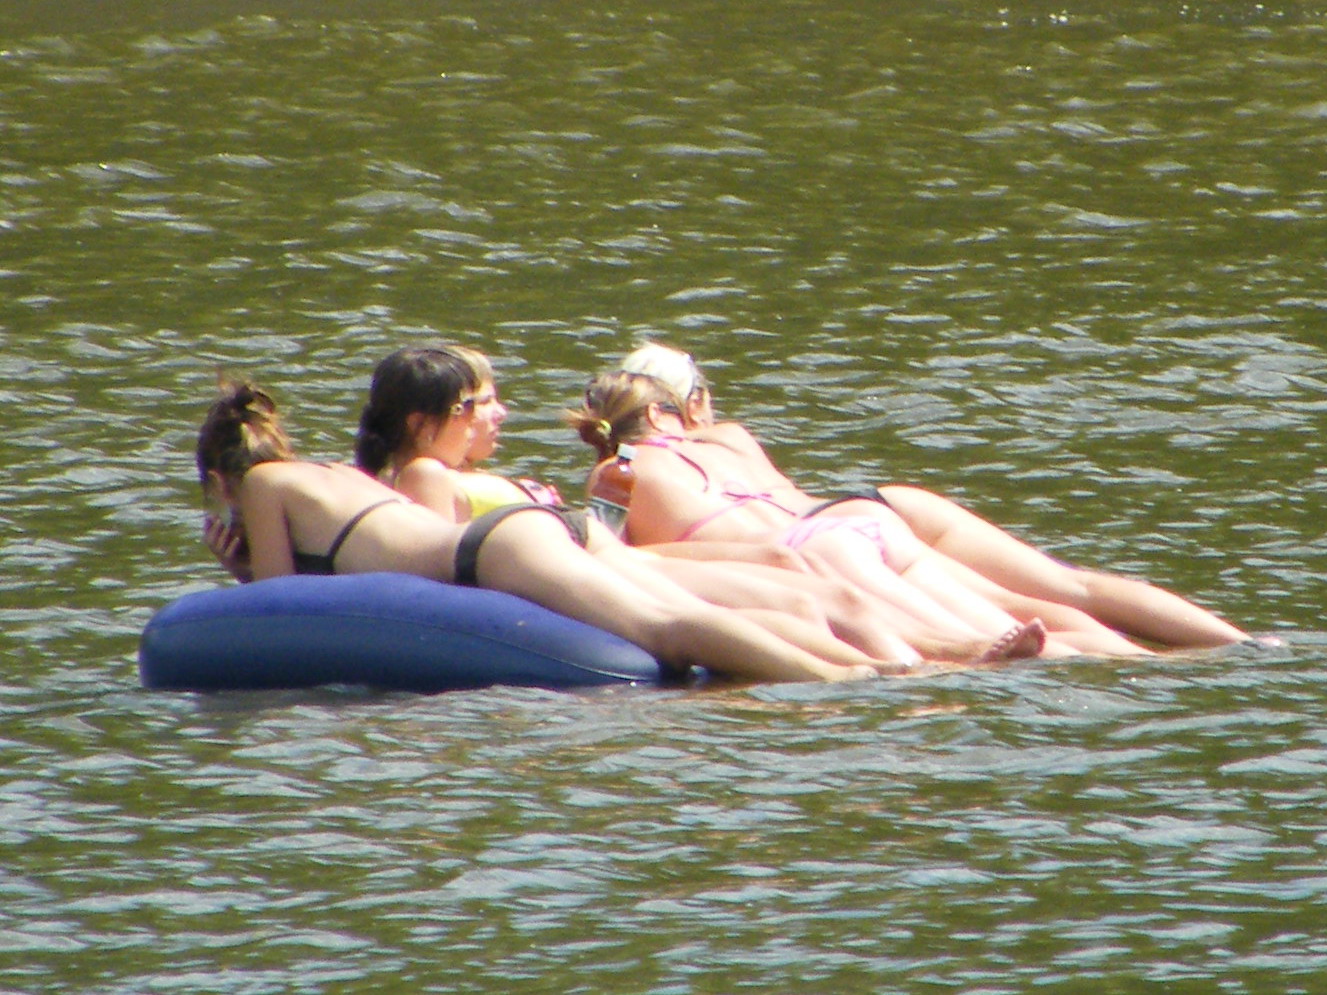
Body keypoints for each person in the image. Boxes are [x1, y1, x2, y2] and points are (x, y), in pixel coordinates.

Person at [351, 345, 1053, 667]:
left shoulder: (465, 471)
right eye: (477, 404)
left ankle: (922, 650)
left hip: (621, 555)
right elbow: (447, 571)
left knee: (795, 563)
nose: (498, 414)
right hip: (603, 570)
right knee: (792, 592)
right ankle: (940, 656)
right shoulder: (424, 475)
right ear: (422, 421)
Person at [196, 376, 915, 684]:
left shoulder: (262, 485)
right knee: (681, 609)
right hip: (529, 529)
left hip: (494, 549)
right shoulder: (336, 473)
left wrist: (240, 571)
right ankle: (875, 666)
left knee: (667, 629)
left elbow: (284, 605)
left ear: (224, 481)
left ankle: (837, 680)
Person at [579, 341, 1254, 650]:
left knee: (982, 634)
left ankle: (1090, 663)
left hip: (815, 543)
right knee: (1063, 591)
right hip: (869, 509)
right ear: (685, 403)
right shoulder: (729, 434)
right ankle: (1240, 646)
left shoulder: (620, 470)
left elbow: (609, 558)